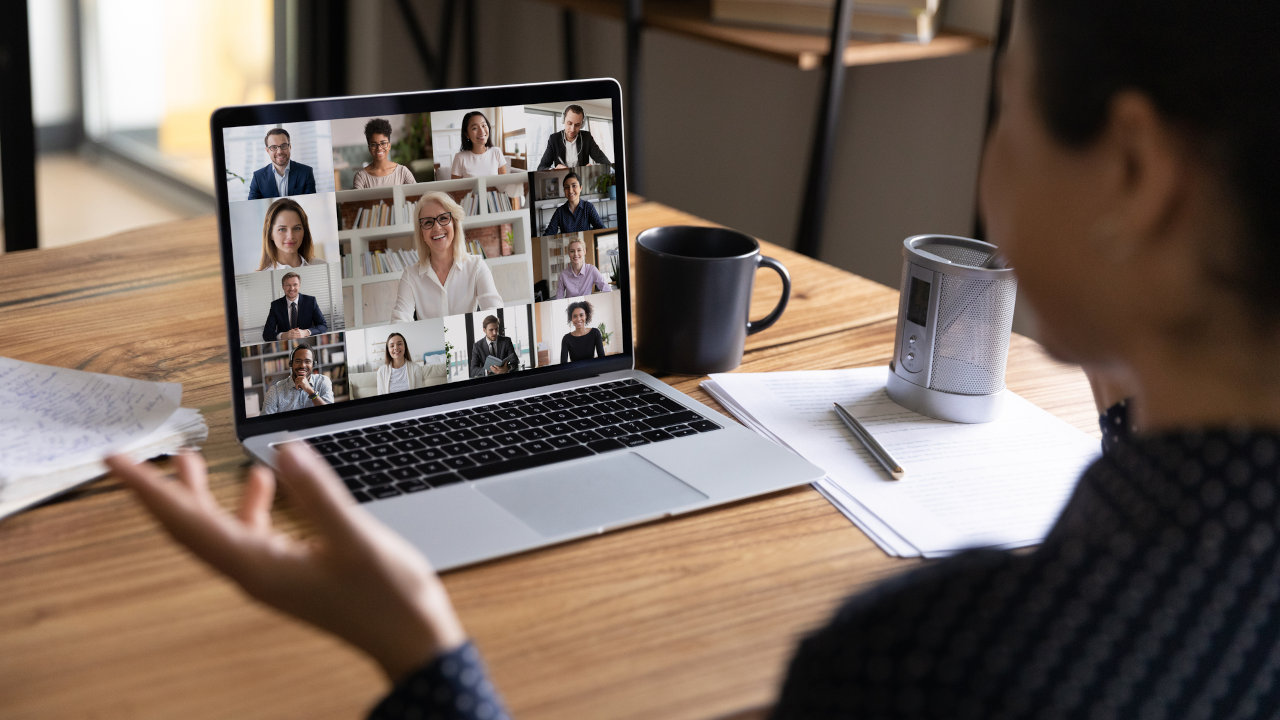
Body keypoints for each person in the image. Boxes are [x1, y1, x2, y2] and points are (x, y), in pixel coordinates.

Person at [108, 1, 1280, 717]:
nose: (986, 166)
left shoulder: (929, 665)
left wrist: (421, 648)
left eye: (1006, 112)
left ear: (1132, 177)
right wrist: (1143, 346)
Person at [391, 192, 502, 323]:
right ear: (421, 233)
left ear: (454, 224)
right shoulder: (410, 276)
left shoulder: (476, 266)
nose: (437, 227)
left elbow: (495, 313)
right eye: (427, 222)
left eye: (443, 218)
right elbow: (399, 320)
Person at [261, 344, 333, 414]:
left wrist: (310, 391)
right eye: (298, 361)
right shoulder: (275, 391)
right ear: (291, 364)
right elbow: (265, 422)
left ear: (313, 365)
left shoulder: (323, 381)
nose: (302, 365)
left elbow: (330, 413)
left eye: (307, 361)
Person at [247, 128, 317, 200]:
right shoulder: (258, 177)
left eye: (283, 146)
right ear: (267, 151)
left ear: (290, 147)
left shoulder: (306, 172)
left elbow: (311, 200)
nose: (279, 152)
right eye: (274, 147)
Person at [536, 104, 610, 170]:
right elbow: (541, 167)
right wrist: (553, 170)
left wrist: (595, 167)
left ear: (582, 124)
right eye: (569, 123)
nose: (572, 129)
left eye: (577, 125)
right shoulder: (554, 139)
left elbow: (605, 162)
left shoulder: (587, 137)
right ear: (563, 120)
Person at [257, 198, 321, 270]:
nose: (290, 236)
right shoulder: (263, 275)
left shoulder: (321, 265)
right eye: (282, 229)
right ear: (270, 234)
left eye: (297, 228)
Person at [261, 272, 327, 342]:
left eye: (295, 284)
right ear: (283, 286)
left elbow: (323, 326)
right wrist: (284, 335)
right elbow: (267, 334)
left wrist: (305, 332)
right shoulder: (276, 305)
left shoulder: (310, 301)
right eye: (288, 285)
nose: (292, 288)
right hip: (286, 346)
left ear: (299, 285)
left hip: (308, 343)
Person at [352, 118, 417, 189]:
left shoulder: (402, 172)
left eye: (383, 143)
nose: (379, 148)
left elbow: (417, 195)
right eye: (374, 144)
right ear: (369, 148)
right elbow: (357, 200)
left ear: (389, 146)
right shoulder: (361, 177)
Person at [449, 111, 509, 179]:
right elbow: (455, 188)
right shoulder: (460, 157)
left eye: (483, 125)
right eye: (475, 128)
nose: (481, 131)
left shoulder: (496, 152)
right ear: (467, 134)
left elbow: (504, 184)